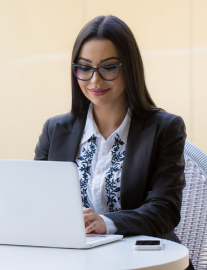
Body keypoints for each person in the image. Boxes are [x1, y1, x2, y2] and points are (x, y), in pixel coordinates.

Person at [34, 15, 193, 270]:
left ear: (129, 68)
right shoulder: (56, 130)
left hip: (144, 263)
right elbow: (36, 200)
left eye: (108, 67)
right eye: (85, 68)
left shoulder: (164, 128)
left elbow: (165, 210)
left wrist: (105, 222)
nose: (94, 81)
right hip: (75, 262)